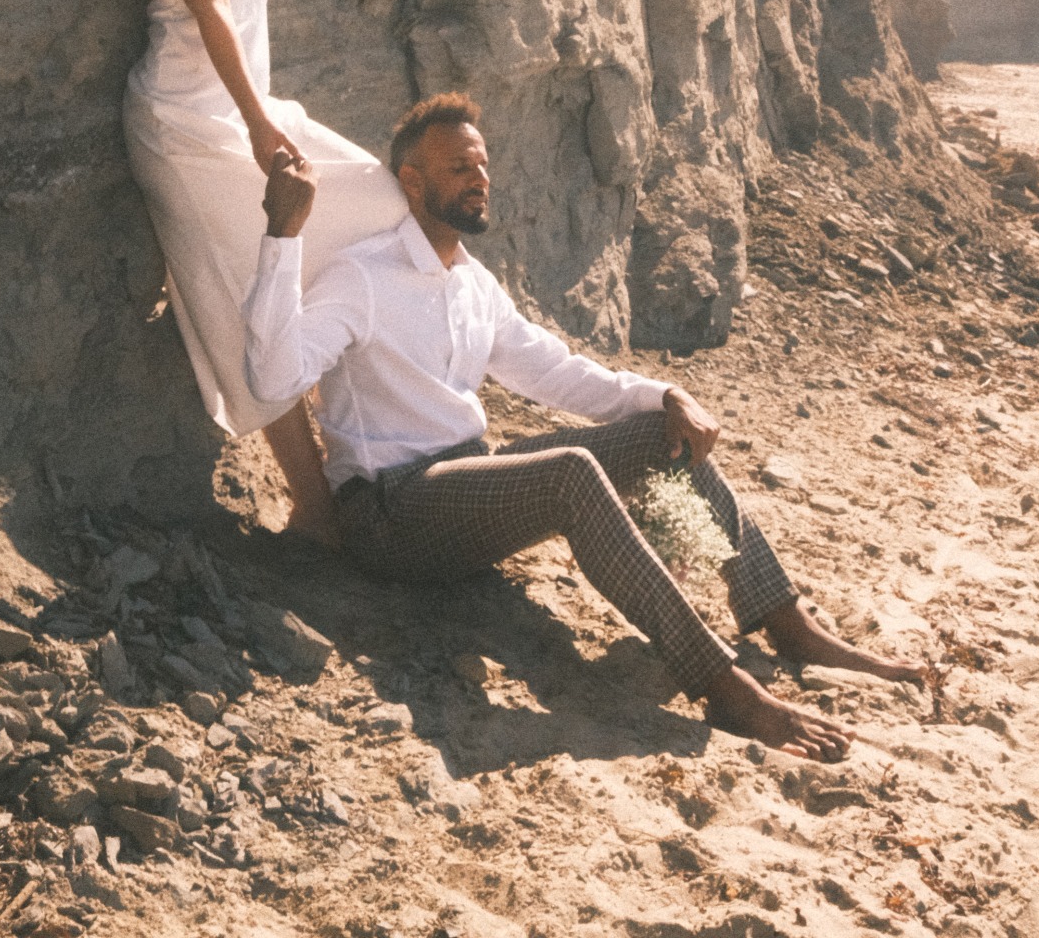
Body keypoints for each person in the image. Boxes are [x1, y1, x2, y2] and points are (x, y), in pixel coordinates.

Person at [242, 93, 926, 760]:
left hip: (464, 493)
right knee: (572, 473)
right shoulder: (360, 276)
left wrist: (665, 396)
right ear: (412, 182)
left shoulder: (472, 282)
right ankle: (722, 685)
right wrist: (281, 236)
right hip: (388, 514)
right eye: (459, 169)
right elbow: (273, 380)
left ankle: (786, 622)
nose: (480, 180)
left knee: (659, 434)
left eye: (482, 166)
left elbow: (557, 374)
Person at [122, 0, 407, 543]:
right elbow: (206, 7)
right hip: (186, 123)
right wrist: (255, 123)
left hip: (239, 108)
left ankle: (368, 458)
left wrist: (258, 112)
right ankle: (318, 511)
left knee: (383, 212)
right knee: (242, 293)